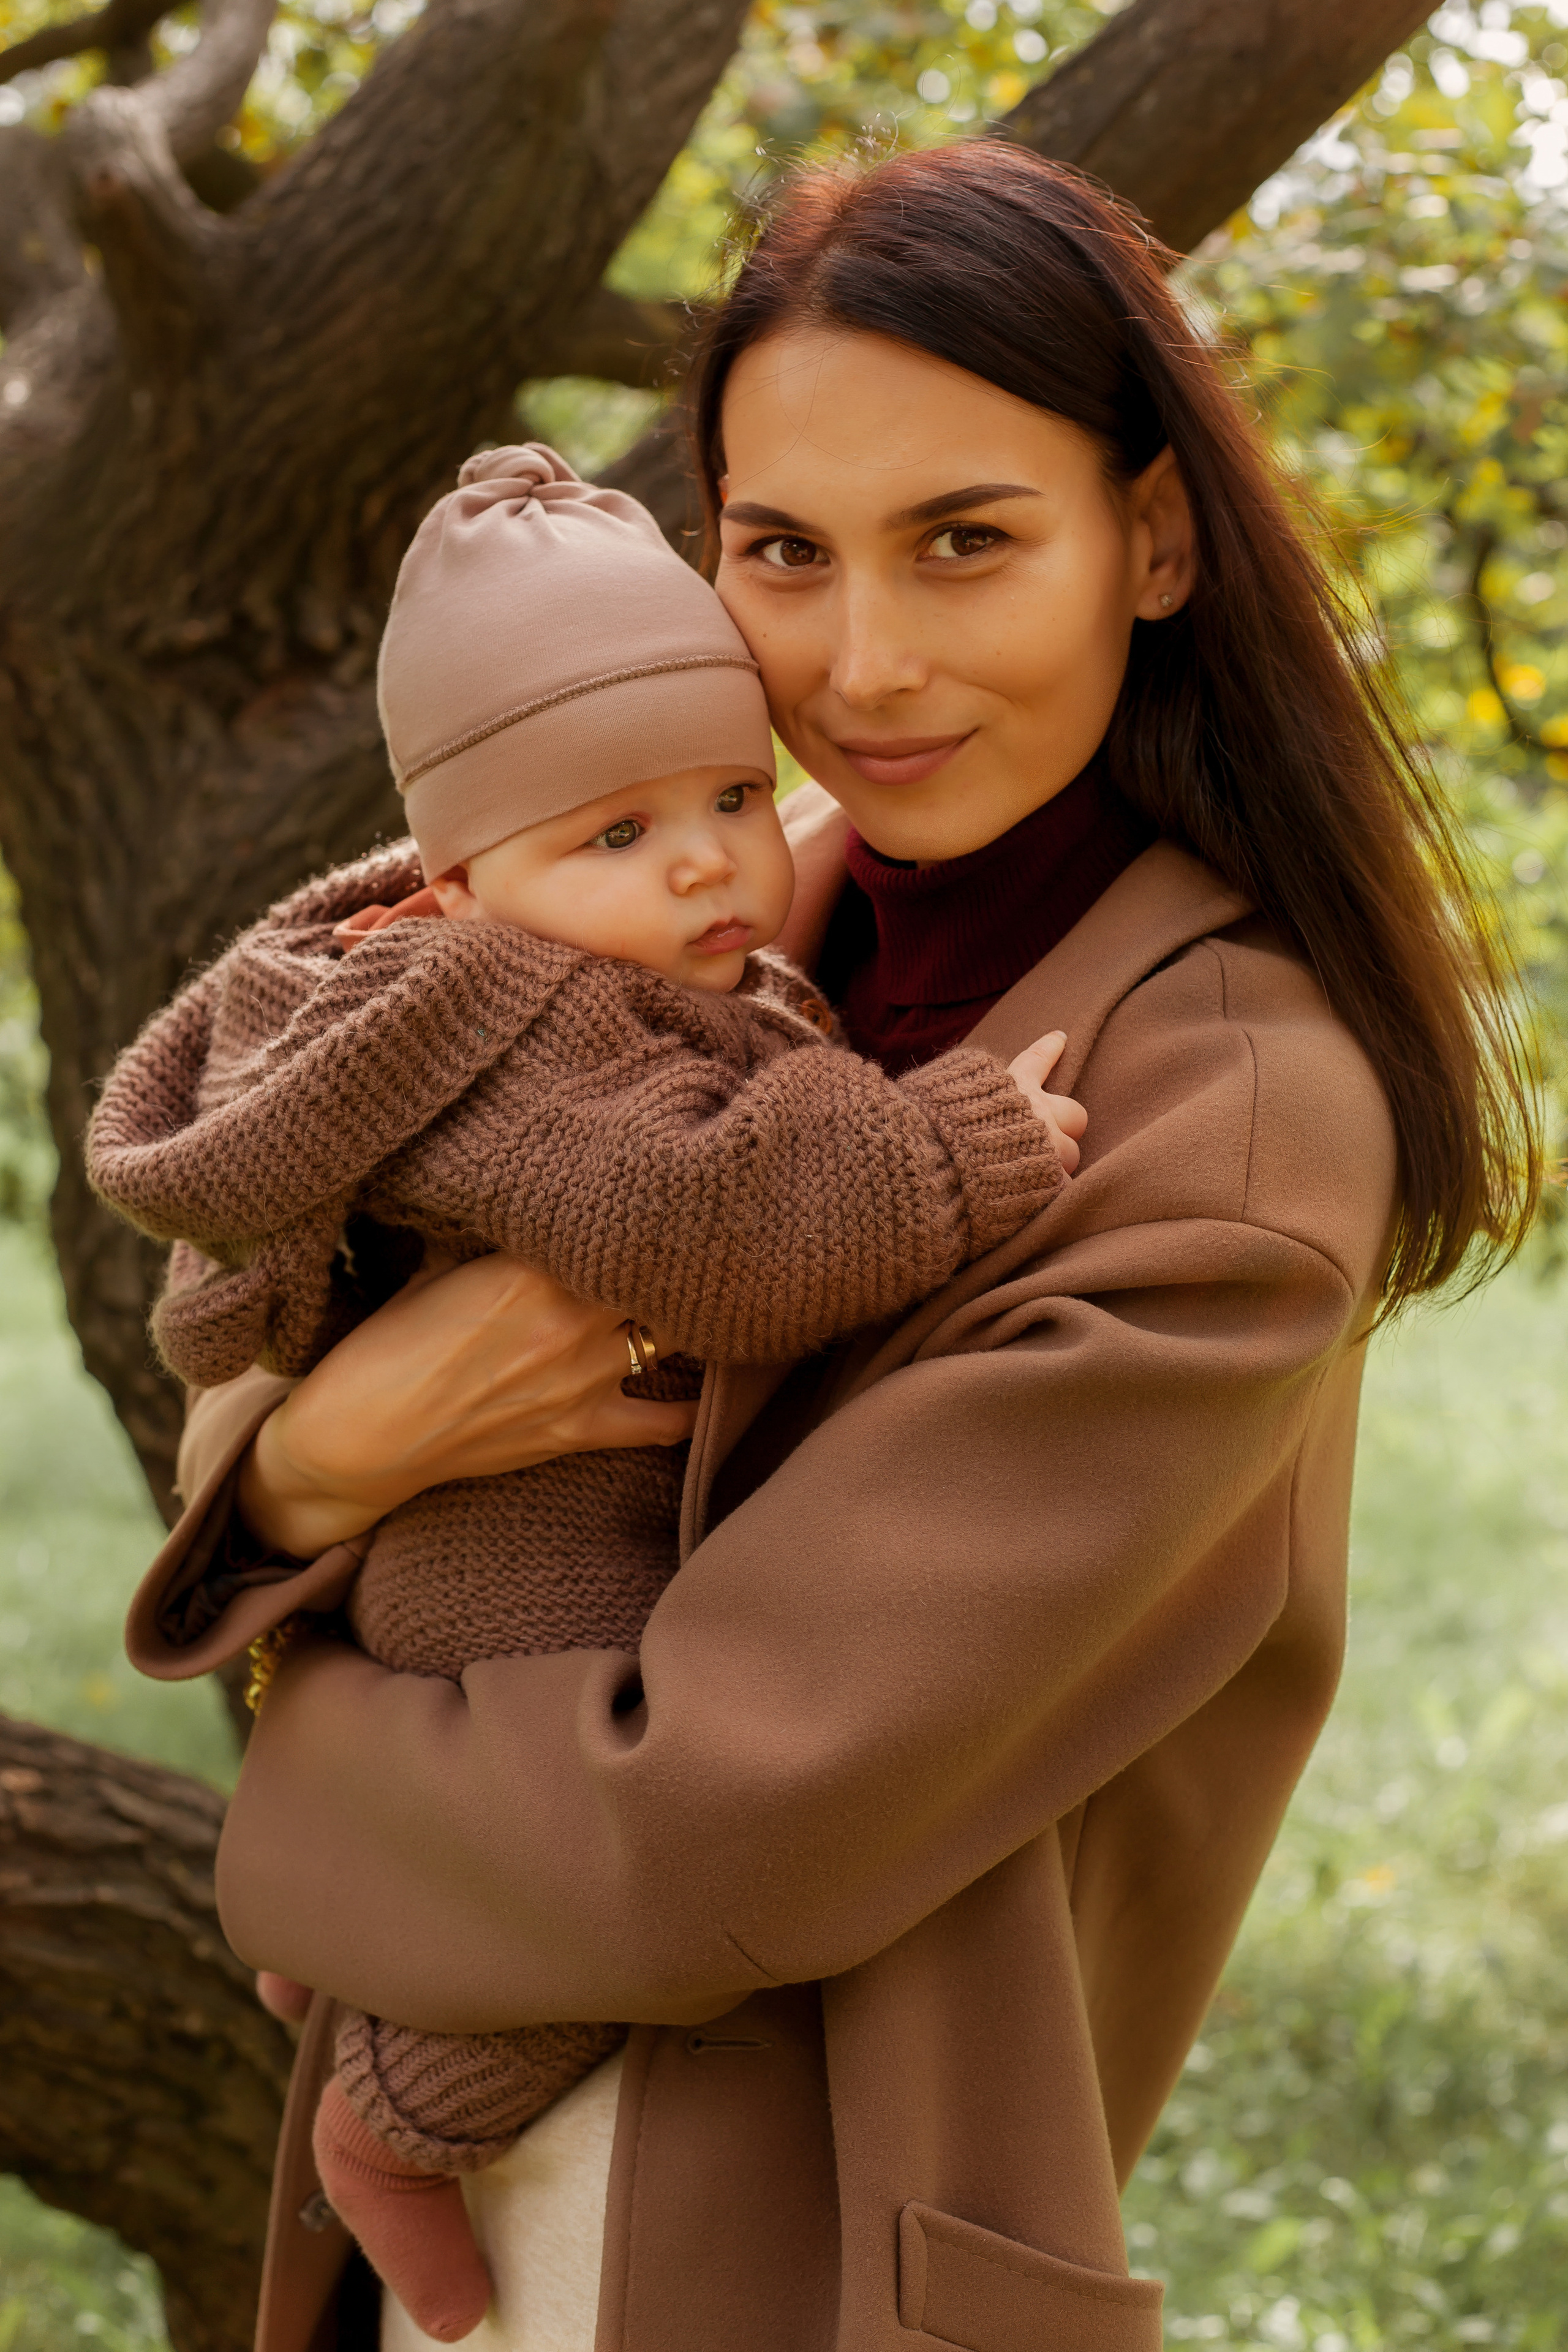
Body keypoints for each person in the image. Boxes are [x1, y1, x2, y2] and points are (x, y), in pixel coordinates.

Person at [126, 141, 1537, 2352]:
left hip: (786, 2244)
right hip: (458, 2187)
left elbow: (710, 1825)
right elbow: (299, 1266)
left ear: (1150, 540)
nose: (862, 667)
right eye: (784, 554)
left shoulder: (1227, 1126)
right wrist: (328, 1465)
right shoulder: (691, 912)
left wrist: (283, 1779)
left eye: (966, 544)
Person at [89, 442, 1079, 2342]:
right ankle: (396, 2113)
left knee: (519, 1837)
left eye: (726, 794)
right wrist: (954, 1152)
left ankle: (354, 1930)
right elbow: (717, 1221)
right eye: (616, 837)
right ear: (468, 879)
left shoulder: (488, 965)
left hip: (448, 1554)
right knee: (586, 1892)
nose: (710, 860)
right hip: (529, 1557)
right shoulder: (518, 1016)